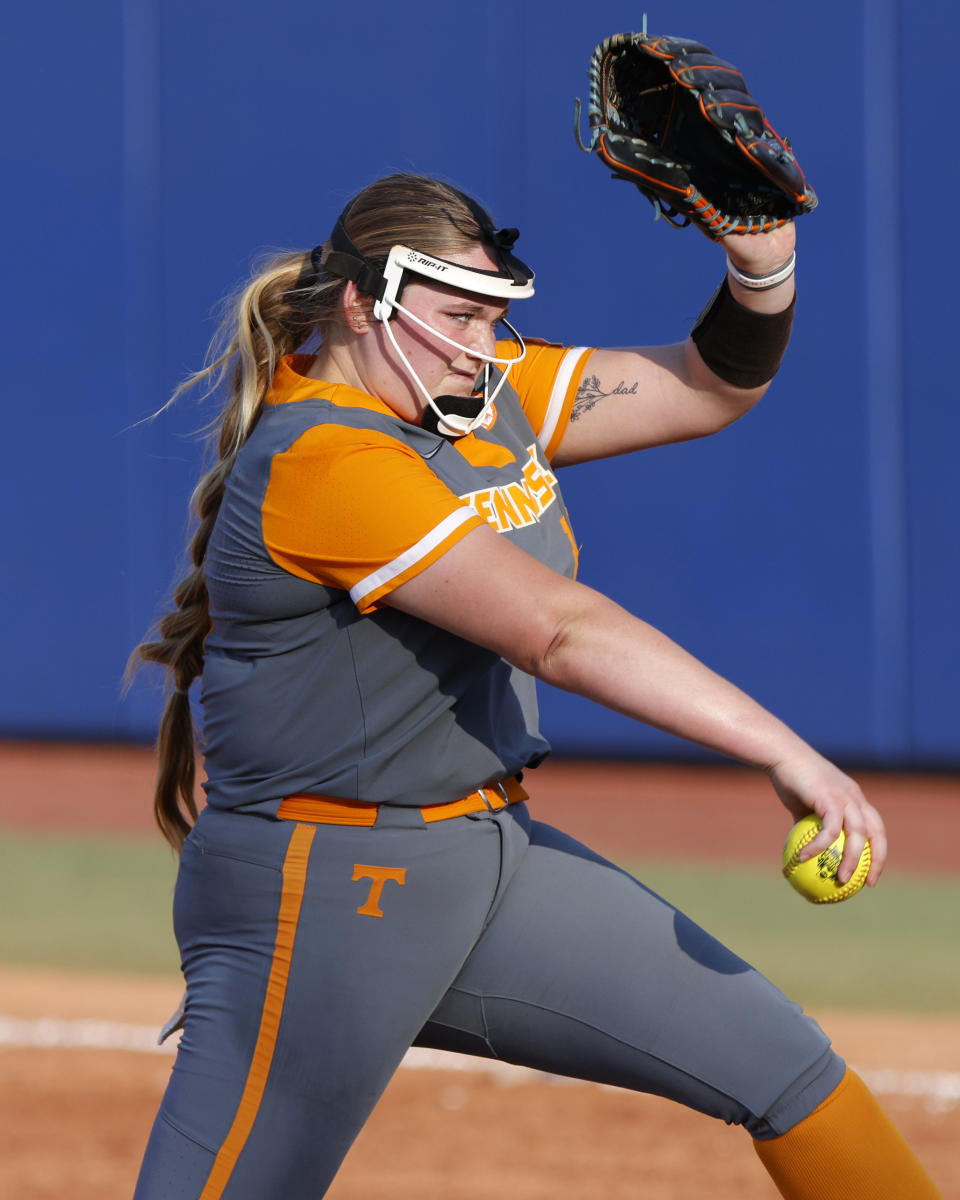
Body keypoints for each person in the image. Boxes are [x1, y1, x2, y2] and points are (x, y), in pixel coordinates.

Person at [129, 173, 941, 1200]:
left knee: (794, 1077)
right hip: (322, 890)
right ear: (360, 302)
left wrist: (761, 261)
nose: (481, 339)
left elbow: (705, 384)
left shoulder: (481, 394)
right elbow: (558, 632)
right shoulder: (327, 456)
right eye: (455, 313)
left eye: (491, 313)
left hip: (488, 859)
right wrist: (785, 749)